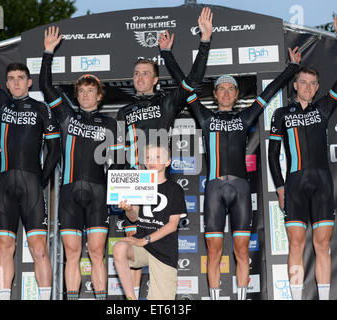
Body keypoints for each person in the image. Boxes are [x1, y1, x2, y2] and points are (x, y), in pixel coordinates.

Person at [163, 29, 302, 299]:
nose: (226, 93)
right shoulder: (203, 116)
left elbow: (271, 90)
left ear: (236, 94)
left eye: (231, 89)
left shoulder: (247, 116)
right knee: (213, 252)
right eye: (221, 89)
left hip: (240, 190)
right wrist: (167, 55)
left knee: (240, 251)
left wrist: (291, 69)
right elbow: (185, 87)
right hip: (214, 190)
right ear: (215, 94)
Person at [115, 7, 213, 297]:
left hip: (158, 179)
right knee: (128, 244)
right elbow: (119, 153)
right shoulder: (124, 111)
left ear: (156, 79)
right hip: (134, 181)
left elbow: (192, 82)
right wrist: (117, 186)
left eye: (146, 73)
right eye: (136, 74)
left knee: (157, 241)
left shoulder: (167, 102)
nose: (140, 77)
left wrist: (203, 42)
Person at [0, 4, 61, 300]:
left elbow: (55, 149)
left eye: (19, 78)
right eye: (10, 78)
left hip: (31, 184)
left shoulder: (42, 109)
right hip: (3, 184)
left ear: (28, 82)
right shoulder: (1, 103)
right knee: (4, 247)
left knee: (39, 249)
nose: (14, 82)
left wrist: (42, 179)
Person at [268, 17, 337, 300]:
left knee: (322, 244)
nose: (307, 86)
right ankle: (295, 297)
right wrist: (279, 187)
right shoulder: (281, 115)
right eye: (302, 82)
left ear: (317, 88)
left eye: (312, 83)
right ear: (295, 86)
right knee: (295, 245)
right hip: (294, 184)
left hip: (322, 183)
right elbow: (272, 153)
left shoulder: (324, 108)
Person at [39, 26, 121, 300]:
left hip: (99, 193)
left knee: (97, 253)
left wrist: (123, 194)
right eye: (82, 91)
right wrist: (48, 53)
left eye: (91, 91)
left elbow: (119, 163)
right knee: (72, 254)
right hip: (70, 193)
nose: (86, 95)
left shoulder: (110, 123)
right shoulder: (66, 116)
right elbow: (45, 86)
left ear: (99, 95)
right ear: (77, 95)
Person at [113, 144, 187, 300]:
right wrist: (128, 209)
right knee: (119, 247)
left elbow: (172, 225)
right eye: (148, 157)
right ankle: (130, 297)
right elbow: (135, 217)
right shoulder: (140, 184)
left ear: (168, 162)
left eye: (157, 157)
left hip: (164, 251)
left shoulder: (175, 189)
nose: (152, 161)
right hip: (142, 247)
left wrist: (144, 240)